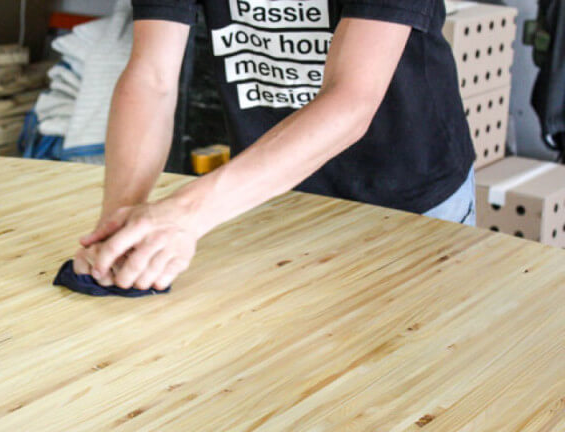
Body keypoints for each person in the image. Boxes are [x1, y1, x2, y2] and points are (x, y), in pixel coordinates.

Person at [74, 0, 476, 291]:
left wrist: (185, 213)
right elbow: (152, 78)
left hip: (410, 195)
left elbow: (352, 99)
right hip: (274, 193)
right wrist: (119, 231)